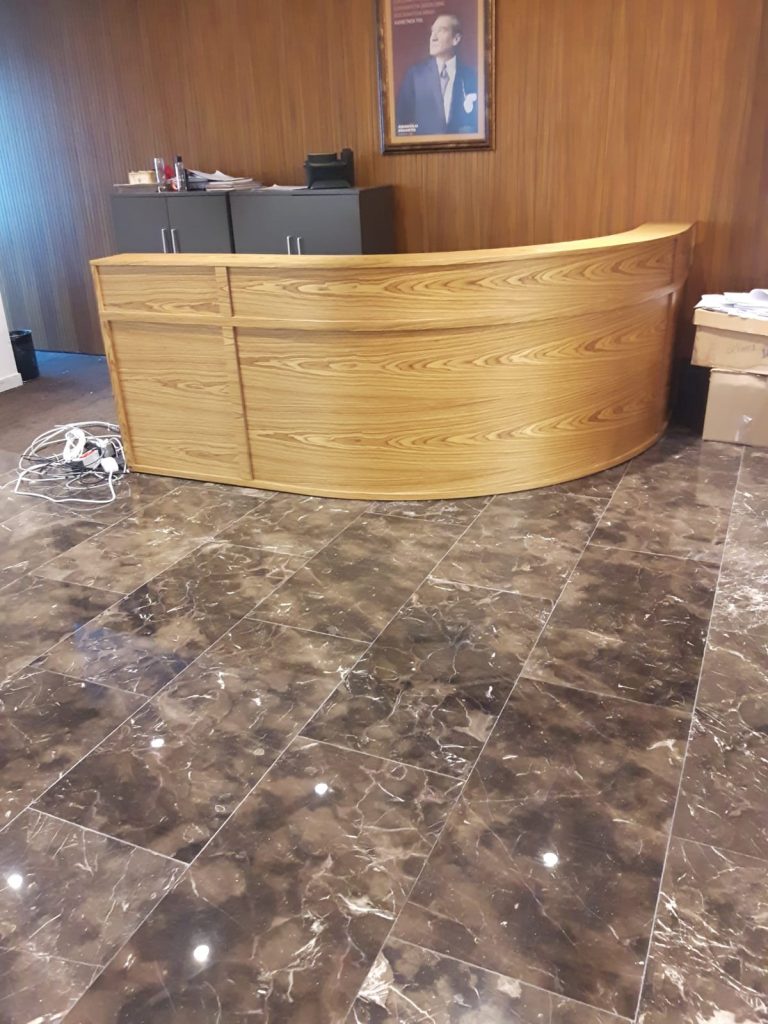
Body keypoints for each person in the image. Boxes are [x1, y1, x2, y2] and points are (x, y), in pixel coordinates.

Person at [395, 14, 479, 136]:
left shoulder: (472, 77)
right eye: (432, 32)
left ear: (456, 39)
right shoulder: (414, 76)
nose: (433, 38)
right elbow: (401, 124)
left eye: (441, 30)